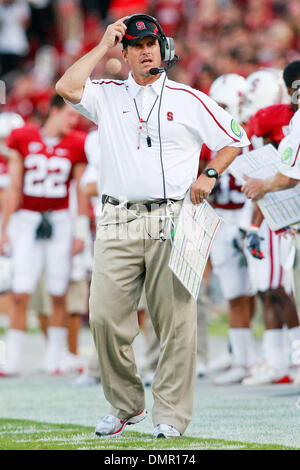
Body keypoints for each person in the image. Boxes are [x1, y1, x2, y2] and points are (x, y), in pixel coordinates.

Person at [56, 13, 249, 438]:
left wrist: (210, 175)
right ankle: (127, 405)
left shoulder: (188, 98)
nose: (147, 52)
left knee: (176, 323)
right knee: (105, 318)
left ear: (164, 48)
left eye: (153, 44)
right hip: (117, 217)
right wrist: (102, 44)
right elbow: (66, 87)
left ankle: (171, 416)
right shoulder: (106, 93)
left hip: (173, 216)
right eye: (138, 46)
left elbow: (235, 138)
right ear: (124, 53)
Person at [0, 95, 89, 377]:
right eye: (70, 116)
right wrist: (4, 228)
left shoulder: (76, 143)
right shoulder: (23, 137)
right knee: (20, 291)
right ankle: (12, 358)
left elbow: (80, 190)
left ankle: (55, 356)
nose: (74, 123)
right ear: (53, 111)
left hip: (60, 221)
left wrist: (80, 229)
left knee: (58, 290)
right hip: (27, 219)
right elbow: (14, 187)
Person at [242, 106, 300, 387]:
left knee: (281, 292)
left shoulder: (284, 146)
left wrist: (255, 225)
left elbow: (279, 185)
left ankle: (295, 360)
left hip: (281, 222)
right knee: (268, 293)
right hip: (268, 221)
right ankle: (278, 364)